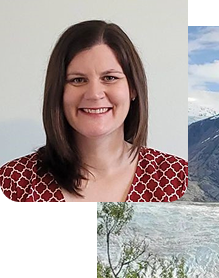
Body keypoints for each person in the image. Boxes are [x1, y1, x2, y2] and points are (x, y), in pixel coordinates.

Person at [0, 20, 187, 202]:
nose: (94, 94)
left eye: (109, 77)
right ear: (58, 91)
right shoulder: (12, 182)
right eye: (78, 80)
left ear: (133, 88)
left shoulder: (175, 177)